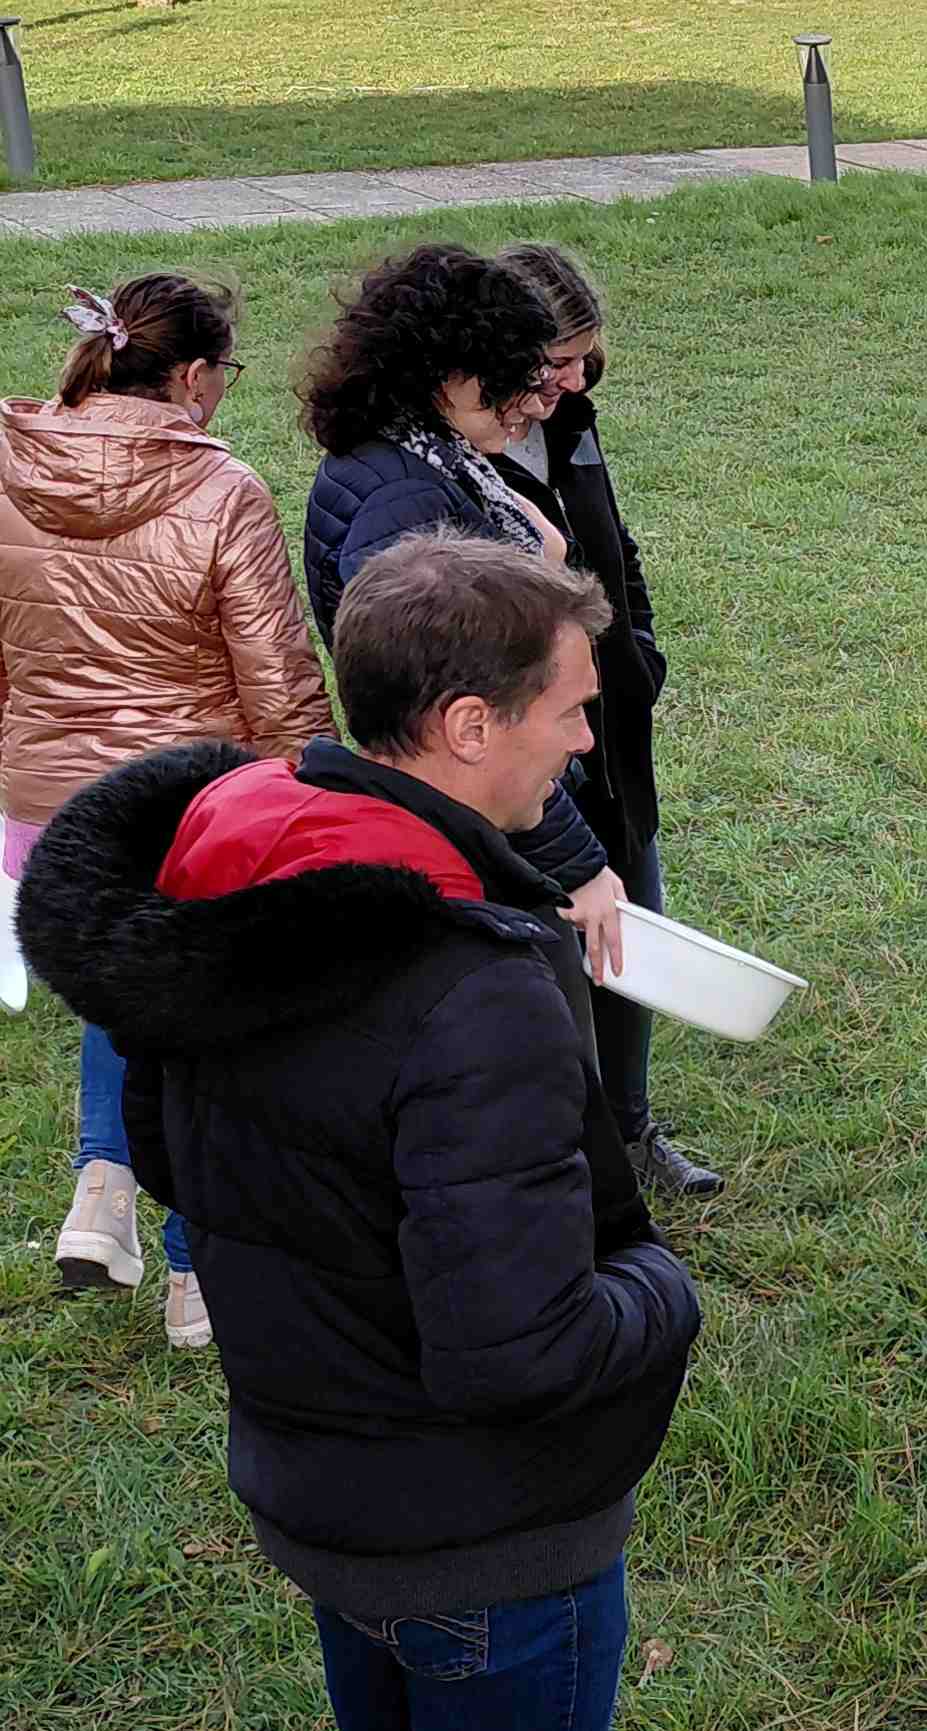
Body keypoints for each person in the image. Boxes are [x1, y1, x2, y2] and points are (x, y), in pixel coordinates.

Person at [14, 530, 730, 1731]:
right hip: (482, 1515)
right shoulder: (470, 972)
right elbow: (523, 1337)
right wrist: (668, 1293)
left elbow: (178, 1165)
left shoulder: (232, 888)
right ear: (468, 722)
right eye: (571, 714)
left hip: (320, 1472)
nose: (586, 746)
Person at [1, 275, 332, 1349]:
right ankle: (196, 1274)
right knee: (209, 1029)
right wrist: (316, 791)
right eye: (225, 375)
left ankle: (105, 1182)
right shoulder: (221, 487)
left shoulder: (8, 458)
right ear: (192, 375)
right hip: (186, 801)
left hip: (41, 795)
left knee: (125, 981)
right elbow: (273, 670)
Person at [298, 243, 629, 982]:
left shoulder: (426, 456)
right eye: (512, 383)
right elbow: (456, 710)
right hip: (479, 827)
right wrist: (577, 864)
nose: (533, 403)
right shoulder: (405, 497)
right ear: (449, 376)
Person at [492, 242, 720, 1201]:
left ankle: (632, 1131)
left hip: (611, 727)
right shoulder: (458, 454)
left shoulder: (573, 421)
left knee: (634, 931)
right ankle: (571, 1163)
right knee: (549, 963)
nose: (577, 379)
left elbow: (614, 547)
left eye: (588, 356)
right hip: (524, 741)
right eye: (558, 360)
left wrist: (640, 649)